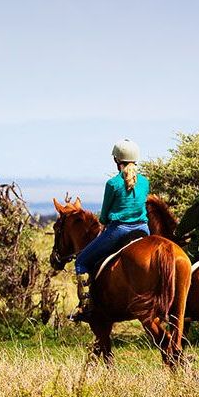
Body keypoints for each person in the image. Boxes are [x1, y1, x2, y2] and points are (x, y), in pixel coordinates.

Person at [68, 138, 151, 322]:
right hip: (144, 229)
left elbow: (105, 214)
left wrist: (104, 221)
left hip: (120, 229)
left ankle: (85, 307)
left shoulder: (113, 184)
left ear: (116, 160)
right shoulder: (145, 182)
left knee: (81, 260)